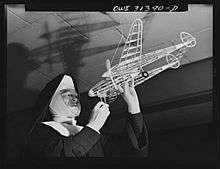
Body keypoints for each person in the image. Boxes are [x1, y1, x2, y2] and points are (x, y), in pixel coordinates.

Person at [26, 73, 149, 157]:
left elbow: (130, 151)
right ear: (50, 101)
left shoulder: (93, 136)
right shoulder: (39, 133)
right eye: (67, 94)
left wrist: (134, 108)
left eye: (75, 95)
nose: (74, 98)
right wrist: (93, 126)